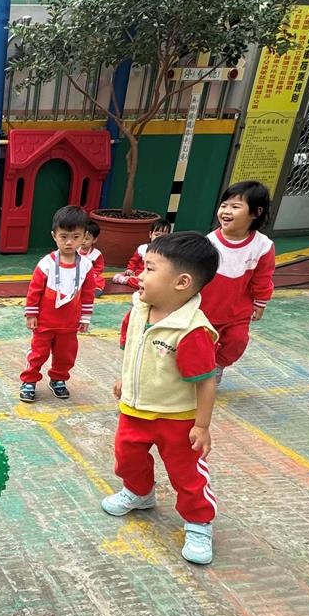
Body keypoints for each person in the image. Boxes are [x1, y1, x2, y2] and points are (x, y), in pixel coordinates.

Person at [101, 231, 221, 565]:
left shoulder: (192, 330)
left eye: (150, 269)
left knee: (187, 475)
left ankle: (199, 522)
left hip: (177, 419)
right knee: (127, 459)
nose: (140, 275)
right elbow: (133, 350)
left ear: (182, 282)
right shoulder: (139, 310)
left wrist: (202, 425)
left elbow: (206, 382)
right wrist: (126, 380)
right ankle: (139, 494)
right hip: (134, 410)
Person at [198, 181, 275, 383]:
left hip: (238, 312)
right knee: (201, 344)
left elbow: (263, 278)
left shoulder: (263, 246)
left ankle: (218, 365)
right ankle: (200, 371)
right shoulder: (209, 242)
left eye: (235, 206)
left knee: (237, 341)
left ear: (256, 212)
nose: (226, 211)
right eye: (224, 205)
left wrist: (260, 302)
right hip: (205, 309)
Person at [19, 206, 96, 403]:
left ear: (84, 236)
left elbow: (88, 294)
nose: (69, 242)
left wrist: (85, 318)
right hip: (44, 322)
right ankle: (29, 381)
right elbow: (34, 290)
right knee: (38, 353)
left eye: (76, 237)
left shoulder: (86, 266)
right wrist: (31, 314)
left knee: (66, 355)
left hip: (69, 324)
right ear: (54, 236)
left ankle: (58, 379)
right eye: (64, 237)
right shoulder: (46, 263)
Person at [113, 218, 171, 289]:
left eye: (164, 236)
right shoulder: (143, 248)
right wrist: (130, 269)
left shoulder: (168, 251)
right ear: (150, 234)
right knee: (142, 283)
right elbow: (134, 261)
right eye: (157, 235)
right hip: (141, 275)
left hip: (156, 276)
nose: (159, 239)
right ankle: (126, 280)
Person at [79, 220, 105, 297]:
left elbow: (99, 268)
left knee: (100, 279)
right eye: (81, 237)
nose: (83, 241)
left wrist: (94, 274)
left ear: (94, 240)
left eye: (87, 239)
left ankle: (96, 289)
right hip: (76, 273)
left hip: (90, 275)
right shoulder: (74, 250)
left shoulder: (96, 254)